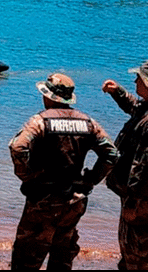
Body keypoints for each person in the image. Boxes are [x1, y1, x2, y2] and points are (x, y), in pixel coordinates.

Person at [8, 73, 119, 270]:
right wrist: (92, 179)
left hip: (43, 199)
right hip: (73, 201)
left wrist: (27, 175)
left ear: (48, 96)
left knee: (26, 259)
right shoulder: (88, 123)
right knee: (61, 258)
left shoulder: (40, 121)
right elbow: (111, 154)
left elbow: (18, 147)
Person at [103, 60, 148, 270]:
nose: (135, 81)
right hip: (134, 201)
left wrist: (133, 200)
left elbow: (143, 167)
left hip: (140, 205)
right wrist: (117, 92)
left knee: (138, 256)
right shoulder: (145, 108)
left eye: (138, 78)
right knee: (129, 251)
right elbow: (135, 107)